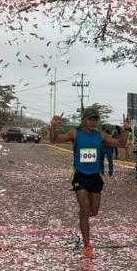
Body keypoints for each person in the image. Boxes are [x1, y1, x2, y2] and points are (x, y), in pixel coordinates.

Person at [50, 108, 130, 258]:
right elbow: (54, 139)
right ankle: (87, 245)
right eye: (91, 119)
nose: (94, 122)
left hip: (95, 176)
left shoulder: (100, 136)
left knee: (94, 211)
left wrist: (126, 129)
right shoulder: (75, 134)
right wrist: (53, 125)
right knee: (85, 209)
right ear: (84, 120)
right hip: (79, 175)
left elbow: (120, 143)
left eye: (96, 120)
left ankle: (83, 214)